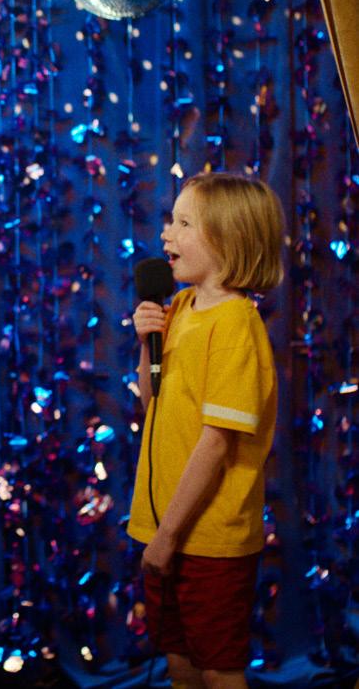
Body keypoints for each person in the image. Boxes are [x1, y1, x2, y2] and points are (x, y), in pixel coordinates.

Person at [128, 172, 284, 689]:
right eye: (170, 221)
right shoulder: (178, 307)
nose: (165, 234)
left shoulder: (235, 323)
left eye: (183, 223)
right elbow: (152, 404)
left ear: (227, 239)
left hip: (207, 537)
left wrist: (168, 537)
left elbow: (216, 444)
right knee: (180, 660)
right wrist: (146, 344)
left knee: (218, 668)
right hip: (164, 527)